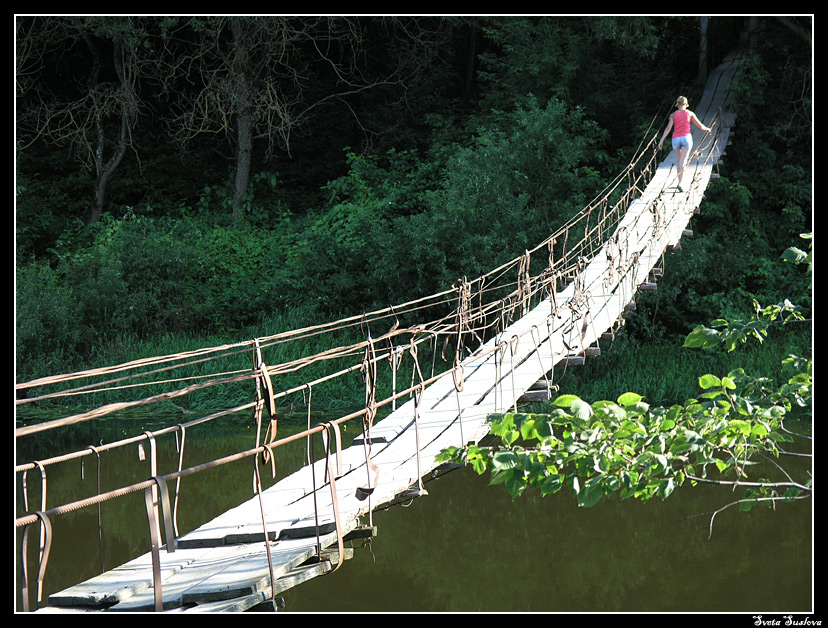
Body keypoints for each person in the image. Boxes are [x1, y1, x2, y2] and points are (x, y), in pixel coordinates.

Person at [658, 96, 711, 192]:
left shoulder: (673, 115)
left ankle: (680, 181)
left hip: (676, 140)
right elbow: (700, 125)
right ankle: (681, 184)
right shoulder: (690, 113)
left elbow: (668, 128)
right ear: (686, 105)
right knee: (683, 161)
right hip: (686, 138)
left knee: (680, 160)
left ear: (677, 105)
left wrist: (661, 140)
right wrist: (708, 129)